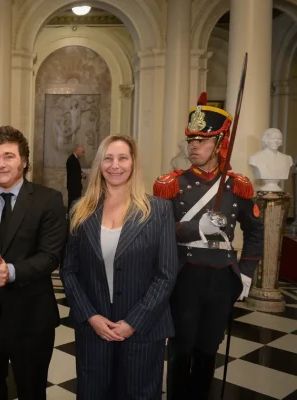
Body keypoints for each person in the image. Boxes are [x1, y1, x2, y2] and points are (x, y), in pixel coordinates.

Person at [154, 92, 264, 400]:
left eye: (202, 141)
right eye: (191, 140)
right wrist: (193, 228)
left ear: (220, 144)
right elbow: (159, 231)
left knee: (207, 349)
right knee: (180, 348)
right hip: (185, 274)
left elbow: (256, 230)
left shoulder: (235, 185)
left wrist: (245, 272)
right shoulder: (172, 185)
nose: (193, 147)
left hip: (222, 278)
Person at [60, 135, 178, 399]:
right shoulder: (80, 210)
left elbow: (166, 275)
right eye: (108, 158)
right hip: (94, 328)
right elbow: (68, 270)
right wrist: (91, 316)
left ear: (133, 163)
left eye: (122, 158)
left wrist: (133, 322)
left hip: (144, 329)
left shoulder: (157, 210)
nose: (115, 165)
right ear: (99, 164)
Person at [0, 125, 67, 400]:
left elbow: (51, 255)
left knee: (32, 390)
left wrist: (13, 272)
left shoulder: (48, 200)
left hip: (32, 317)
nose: (0, 163)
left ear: (24, 161)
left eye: (8, 156)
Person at [66, 145, 86, 210]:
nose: (83, 154)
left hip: (75, 186)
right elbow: (73, 173)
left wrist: (81, 173)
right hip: (73, 186)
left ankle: (73, 217)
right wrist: (81, 175)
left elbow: (77, 170)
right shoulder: (72, 159)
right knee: (73, 202)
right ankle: (71, 218)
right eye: (82, 152)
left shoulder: (74, 158)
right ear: (78, 150)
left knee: (75, 203)